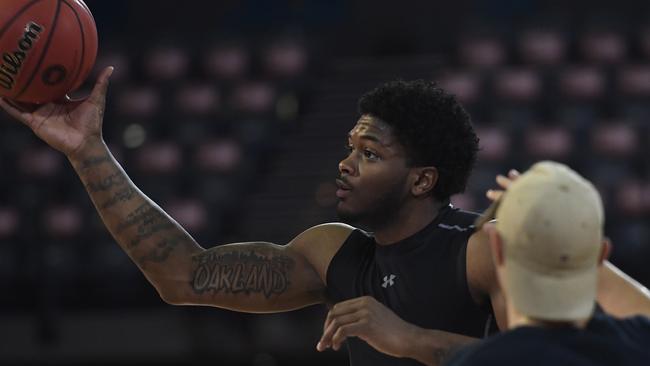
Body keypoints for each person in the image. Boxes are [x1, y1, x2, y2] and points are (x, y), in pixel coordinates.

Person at [1, 69, 649, 366]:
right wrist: (89, 152)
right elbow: (184, 276)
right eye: (347, 146)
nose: (345, 163)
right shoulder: (333, 252)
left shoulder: (479, 249)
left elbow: (550, 360)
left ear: (422, 178)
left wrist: (411, 339)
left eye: (369, 153)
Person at [444, 161, 650, 366]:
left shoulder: (475, 361)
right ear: (601, 255)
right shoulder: (639, 343)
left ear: (496, 247)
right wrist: (572, 241)